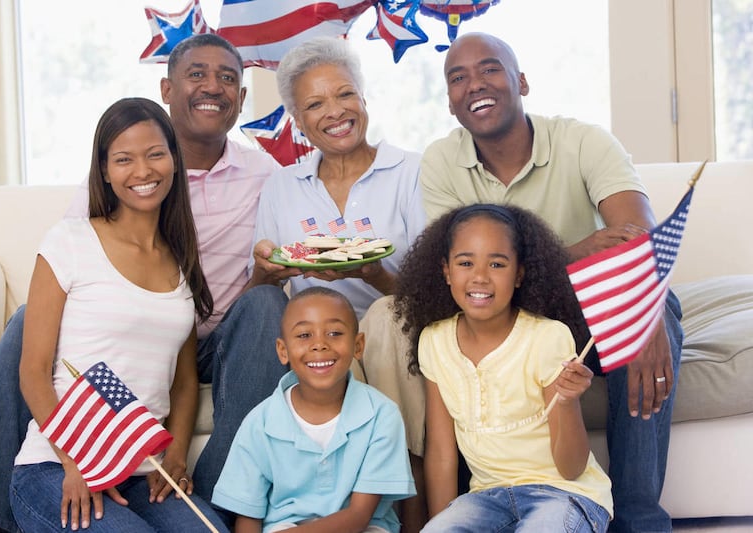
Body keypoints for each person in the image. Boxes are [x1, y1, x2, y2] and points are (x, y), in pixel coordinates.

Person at [0, 34, 286, 532]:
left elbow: (185, 376)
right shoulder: (79, 231)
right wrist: (73, 458)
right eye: (197, 74)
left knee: (263, 304)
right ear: (168, 88)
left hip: (211, 337)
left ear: (241, 97)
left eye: (227, 78)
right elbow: (72, 262)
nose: (212, 87)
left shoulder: (264, 175)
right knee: (29, 320)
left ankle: (219, 496)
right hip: (112, 371)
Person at [418, 32, 683, 532]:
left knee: (653, 312)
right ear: (451, 102)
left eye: (490, 69)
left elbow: (637, 239)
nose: (475, 83)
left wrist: (645, 322)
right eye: (458, 77)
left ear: (520, 81)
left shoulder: (584, 140)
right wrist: (575, 251)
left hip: (588, 310)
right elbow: (462, 269)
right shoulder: (439, 161)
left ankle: (638, 518)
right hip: (506, 316)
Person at [8, 96, 227, 532]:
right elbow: (33, 372)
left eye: (155, 154)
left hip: (145, 468)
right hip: (57, 466)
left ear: (174, 160)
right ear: (105, 172)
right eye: (124, 159)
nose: (143, 172)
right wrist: (77, 463)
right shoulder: (69, 241)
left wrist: (178, 452)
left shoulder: (180, 259)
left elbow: (183, 381)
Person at [245, 36, 428, 530]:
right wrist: (267, 269)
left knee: (385, 319)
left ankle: (410, 505)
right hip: (322, 338)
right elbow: (259, 291)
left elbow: (435, 290)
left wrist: (373, 272)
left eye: (345, 95)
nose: (335, 111)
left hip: (397, 331)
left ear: (364, 100)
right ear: (298, 121)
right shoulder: (282, 186)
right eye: (314, 104)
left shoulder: (411, 171)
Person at [393, 203, 612, 532]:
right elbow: (441, 451)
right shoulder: (434, 341)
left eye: (497, 263)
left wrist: (566, 402)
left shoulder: (547, 337)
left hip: (564, 495)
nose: (480, 276)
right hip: (485, 499)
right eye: (466, 262)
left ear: (520, 273)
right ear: (446, 270)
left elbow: (571, 468)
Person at [212, 287, 416, 533]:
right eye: (304, 335)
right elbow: (248, 517)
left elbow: (359, 516)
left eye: (334, 333)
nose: (319, 344)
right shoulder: (260, 423)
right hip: (284, 526)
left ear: (358, 345)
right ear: (282, 350)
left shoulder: (382, 415)